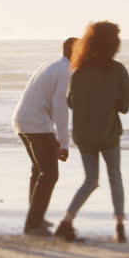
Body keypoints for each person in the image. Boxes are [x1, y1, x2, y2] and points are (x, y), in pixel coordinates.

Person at [54, 21, 129, 243]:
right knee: (115, 177)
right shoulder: (117, 70)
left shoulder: (79, 70)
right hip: (108, 133)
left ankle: (66, 221)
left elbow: (71, 102)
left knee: (90, 180)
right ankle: (119, 226)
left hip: (84, 134)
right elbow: (124, 106)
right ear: (113, 44)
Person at [12, 38, 77, 236]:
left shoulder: (53, 65)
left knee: (39, 171)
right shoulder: (66, 70)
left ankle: (36, 219)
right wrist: (64, 143)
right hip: (36, 124)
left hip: (22, 120)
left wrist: (55, 134)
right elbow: (60, 107)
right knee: (49, 174)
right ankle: (33, 225)